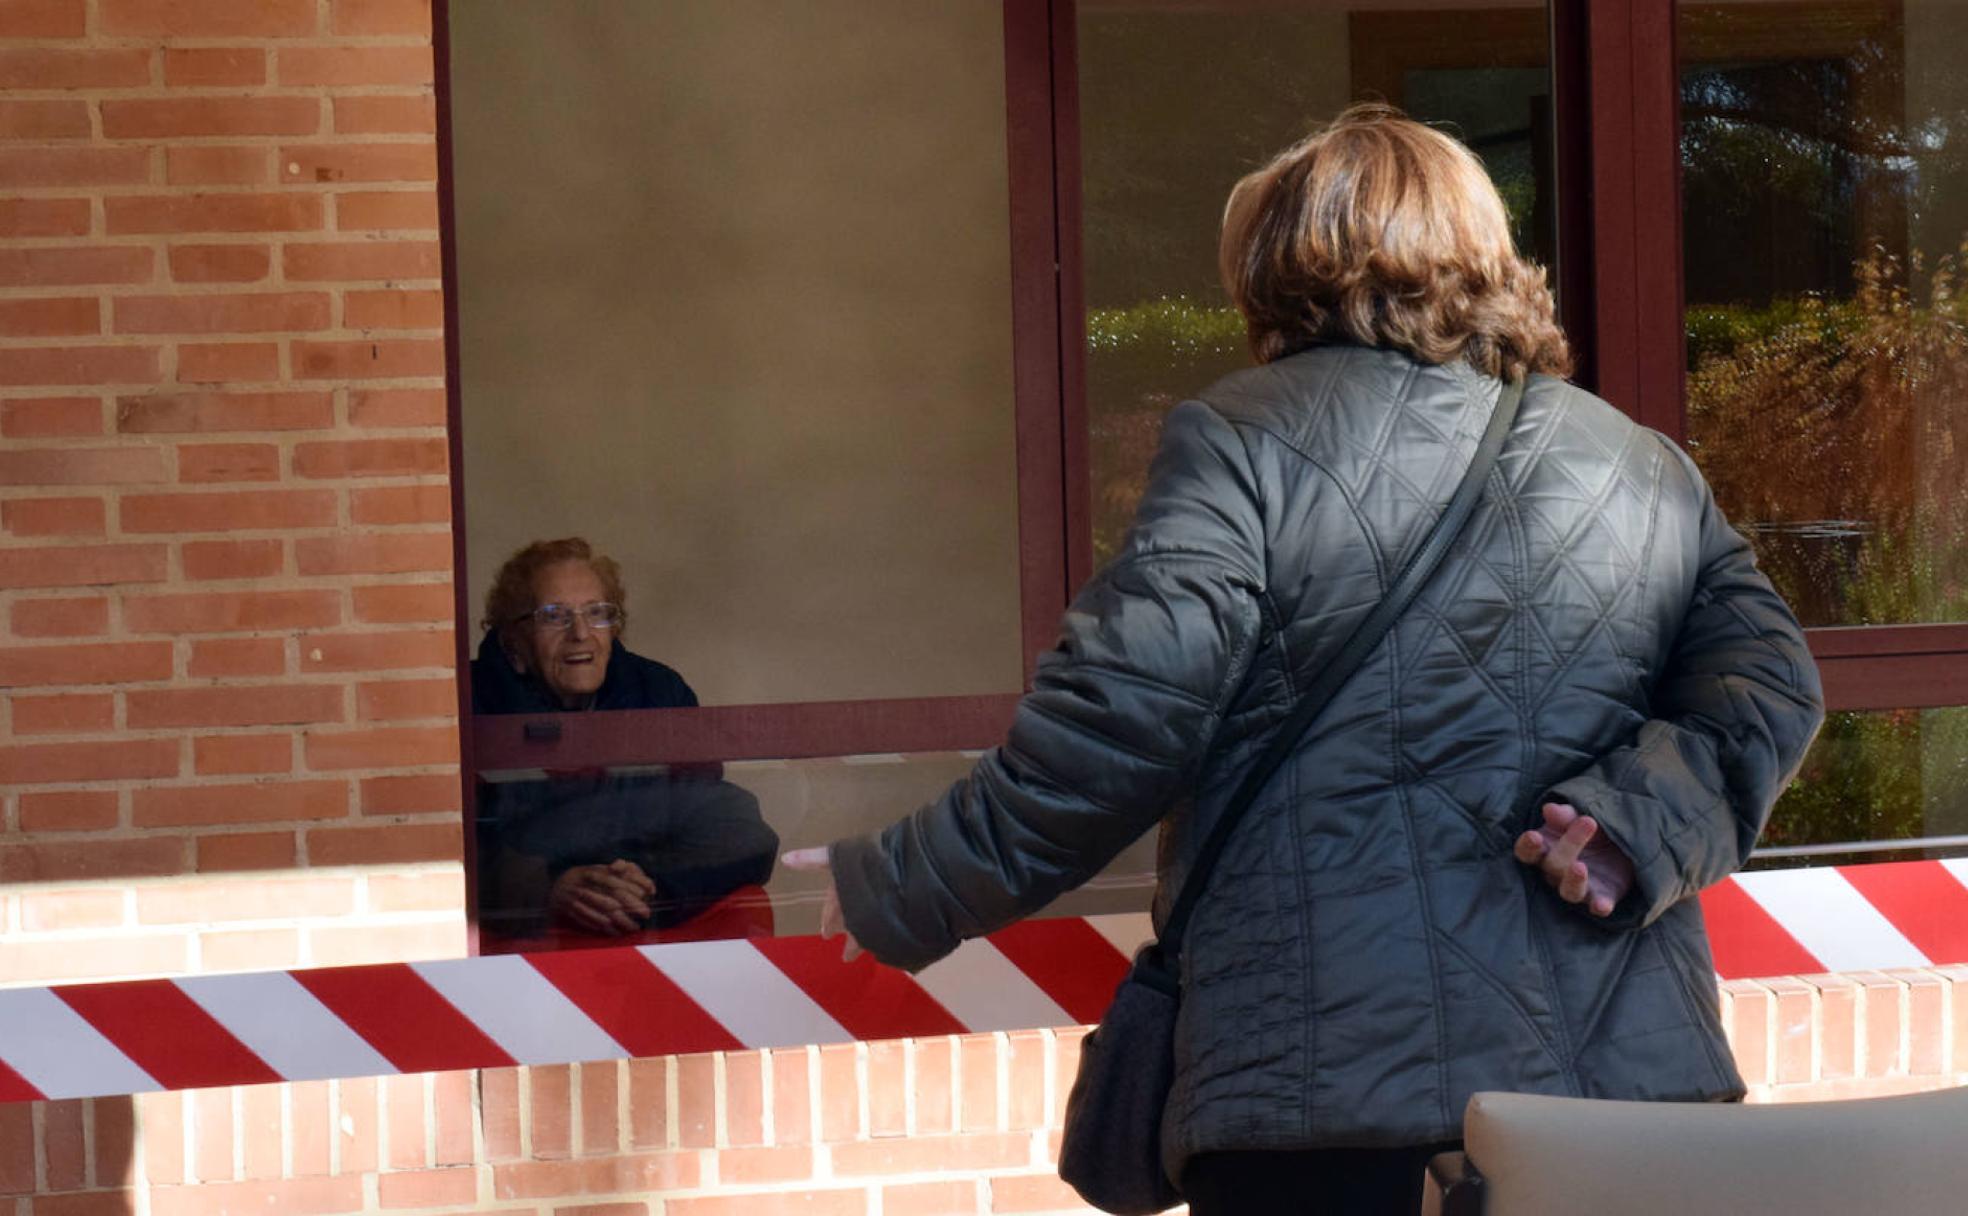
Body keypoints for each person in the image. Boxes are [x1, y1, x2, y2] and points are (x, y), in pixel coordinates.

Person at [785, 105, 1825, 1215]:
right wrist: (1635, 824)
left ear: (1280, 267)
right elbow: (1770, 684)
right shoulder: (1642, 464)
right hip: (1624, 1102)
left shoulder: (1240, 438)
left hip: (1324, 1100)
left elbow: (1125, 716)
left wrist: (906, 880)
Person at [471, 537, 777, 942]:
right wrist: (549, 886)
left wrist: (646, 884)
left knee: (747, 828)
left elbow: (712, 811)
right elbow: (447, 842)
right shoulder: (467, 700)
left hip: (646, 900)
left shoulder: (659, 691)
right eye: (554, 616)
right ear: (514, 642)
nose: (580, 633)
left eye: (597, 613)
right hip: (526, 930)